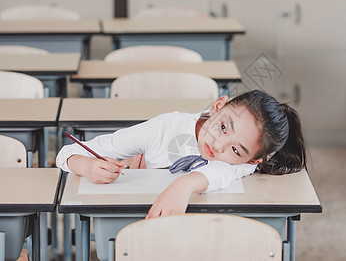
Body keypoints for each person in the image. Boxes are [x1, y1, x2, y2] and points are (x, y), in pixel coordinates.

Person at [55, 89, 307, 218]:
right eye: (222, 126)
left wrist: (184, 186)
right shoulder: (164, 128)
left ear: (252, 160)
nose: (218, 145)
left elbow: (221, 171)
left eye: (234, 149)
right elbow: (67, 152)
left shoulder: (242, 163)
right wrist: (87, 166)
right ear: (217, 106)